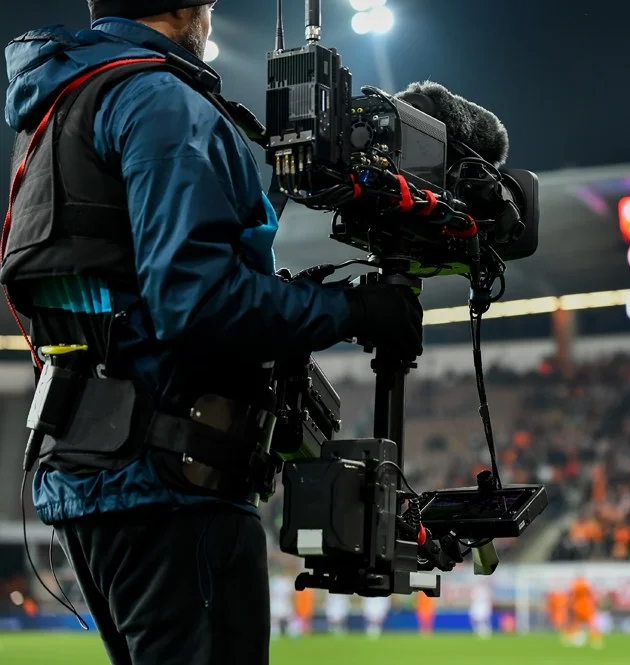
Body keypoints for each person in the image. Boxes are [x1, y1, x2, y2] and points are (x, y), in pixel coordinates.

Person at [0, 2, 423, 665]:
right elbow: (197, 303)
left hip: (93, 470)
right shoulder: (158, 99)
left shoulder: (64, 98)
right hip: (168, 478)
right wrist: (351, 311)